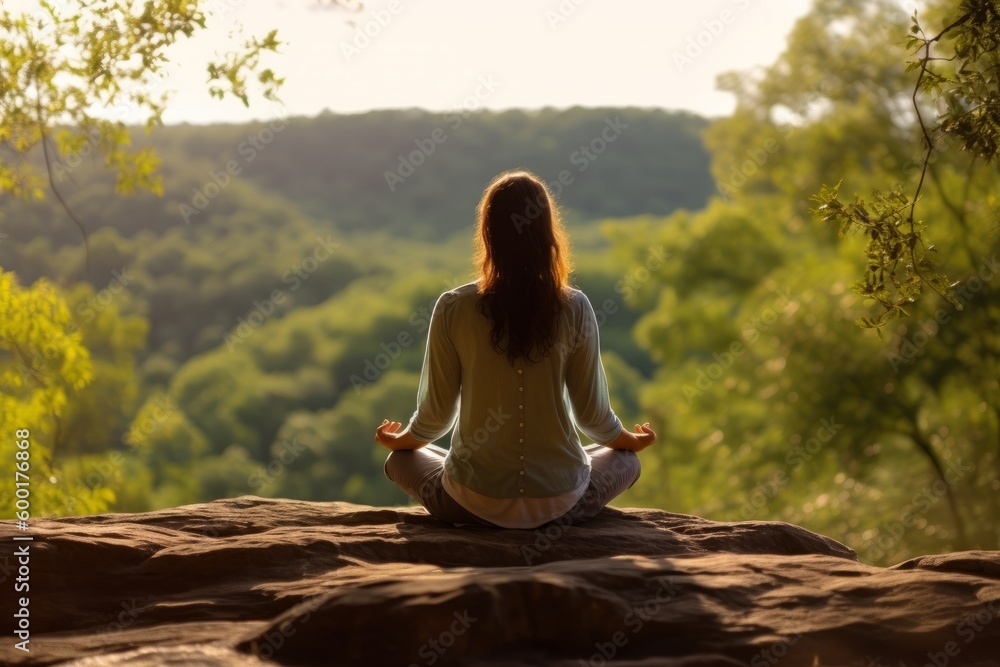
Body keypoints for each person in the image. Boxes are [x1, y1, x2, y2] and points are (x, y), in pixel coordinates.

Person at [375, 169, 656, 529]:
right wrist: (632, 440)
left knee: (400, 460)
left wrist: (399, 440)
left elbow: (434, 418)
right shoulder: (574, 306)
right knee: (626, 460)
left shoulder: (453, 306)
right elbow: (593, 419)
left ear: (488, 234)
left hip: (468, 505)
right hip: (561, 506)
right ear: (547, 235)